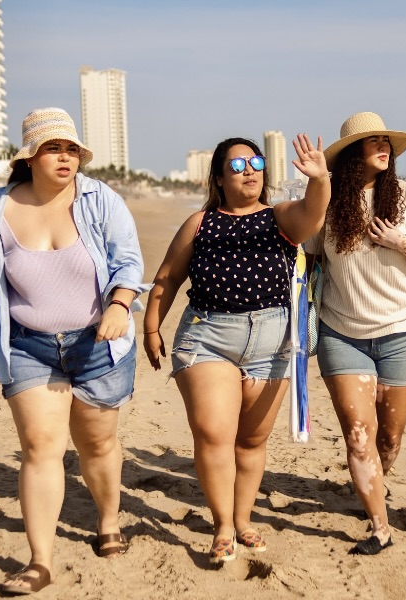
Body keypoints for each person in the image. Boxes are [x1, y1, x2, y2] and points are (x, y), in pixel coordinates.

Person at [0, 107, 146, 594]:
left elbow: (128, 260)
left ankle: (107, 520)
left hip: (97, 342)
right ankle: (40, 561)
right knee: (40, 448)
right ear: (30, 157)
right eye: (53, 149)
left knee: (97, 444)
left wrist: (121, 304)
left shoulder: (99, 200)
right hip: (29, 347)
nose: (65, 159)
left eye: (71, 150)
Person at [142, 134, 329, 564]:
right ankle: (222, 524)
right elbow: (168, 278)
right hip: (209, 338)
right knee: (213, 434)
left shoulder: (279, 217)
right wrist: (151, 327)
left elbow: (311, 218)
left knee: (251, 441)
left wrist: (319, 179)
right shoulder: (200, 222)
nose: (249, 171)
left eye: (256, 162)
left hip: (273, 343)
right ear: (219, 178)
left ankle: (243, 520)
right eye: (238, 165)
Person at [308, 112, 406, 555]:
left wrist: (400, 244)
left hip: (402, 333)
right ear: (352, 153)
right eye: (373, 142)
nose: (384, 148)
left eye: (386, 141)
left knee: (388, 438)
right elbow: (301, 250)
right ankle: (380, 527)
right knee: (359, 435)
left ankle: (372, 487)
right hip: (341, 334)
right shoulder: (326, 201)